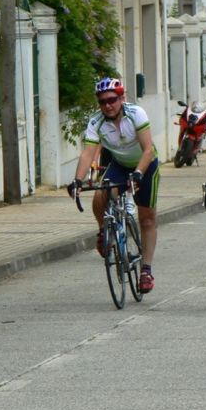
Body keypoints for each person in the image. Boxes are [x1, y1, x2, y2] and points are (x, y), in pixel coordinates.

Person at [67, 77, 160, 294]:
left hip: (146, 165)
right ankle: (103, 232)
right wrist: (77, 181)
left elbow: (147, 149)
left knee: (147, 218)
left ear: (121, 98)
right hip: (119, 165)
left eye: (112, 100)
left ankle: (146, 270)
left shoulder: (136, 114)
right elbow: (88, 152)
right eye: (102, 101)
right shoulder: (96, 121)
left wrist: (138, 173)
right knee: (100, 196)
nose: (107, 105)